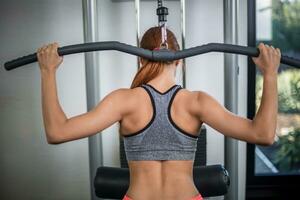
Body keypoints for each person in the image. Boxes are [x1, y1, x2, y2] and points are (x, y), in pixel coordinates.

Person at [36, 26, 281, 200]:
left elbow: (57, 132)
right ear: (180, 61)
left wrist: (48, 72)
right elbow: (263, 134)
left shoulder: (124, 100)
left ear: (140, 61)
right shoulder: (196, 102)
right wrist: (269, 74)